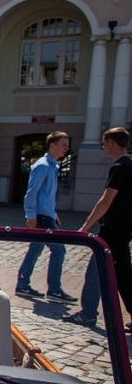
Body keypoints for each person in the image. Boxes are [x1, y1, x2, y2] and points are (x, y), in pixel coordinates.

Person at [70, 128, 132, 331]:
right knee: (122, 274)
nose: (103, 146)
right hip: (123, 228)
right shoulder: (129, 165)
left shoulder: (119, 167)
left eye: (104, 142)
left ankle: (88, 314)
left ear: (113, 142)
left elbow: (105, 201)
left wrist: (85, 227)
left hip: (113, 229)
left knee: (102, 272)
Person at [15, 131, 75, 302]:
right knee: (58, 249)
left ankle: (22, 285)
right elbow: (32, 192)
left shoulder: (53, 166)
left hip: (46, 214)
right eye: (63, 145)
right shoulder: (43, 165)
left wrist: (53, 214)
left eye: (67, 146)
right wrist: (31, 215)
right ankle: (54, 290)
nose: (66, 149)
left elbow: (46, 194)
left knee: (35, 249)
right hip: (41, 216)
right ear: (52, 145)